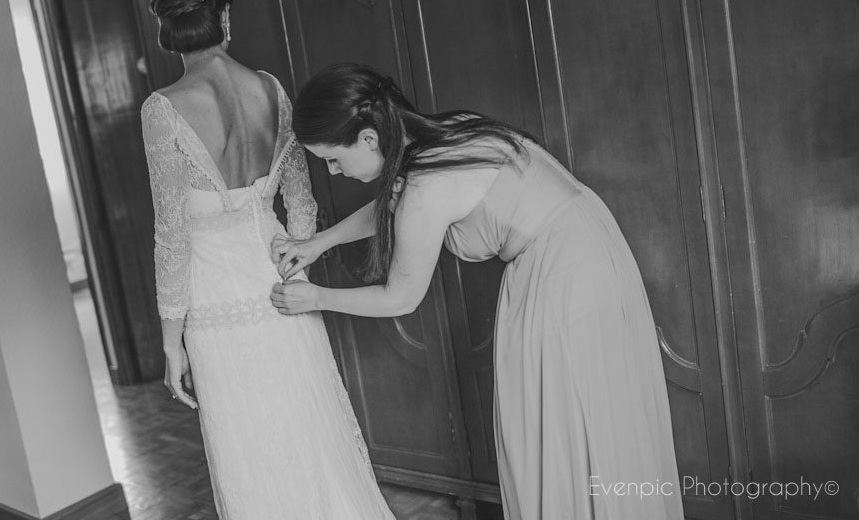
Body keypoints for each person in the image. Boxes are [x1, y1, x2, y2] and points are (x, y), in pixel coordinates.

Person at [270, 63, 685, 520]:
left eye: (332, 158)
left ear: (368, 138)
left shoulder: (426, 185)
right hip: (591, 243)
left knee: (563, 420)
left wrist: (318, 298)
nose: (333, 170)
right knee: (601, 413)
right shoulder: (448, 131)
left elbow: (400, 296)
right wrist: (319, 243)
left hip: (561, 275)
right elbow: (395, 205)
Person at [141, 0, 396, 520]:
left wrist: (171, 341)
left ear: (165, 25)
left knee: (249, 453)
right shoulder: (271, 91)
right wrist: (295, 267)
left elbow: (172, 234)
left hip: (215, 303)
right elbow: (301, 204)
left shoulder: (163, 110)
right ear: (223, 14)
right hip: (282, 286)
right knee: (310, 437)